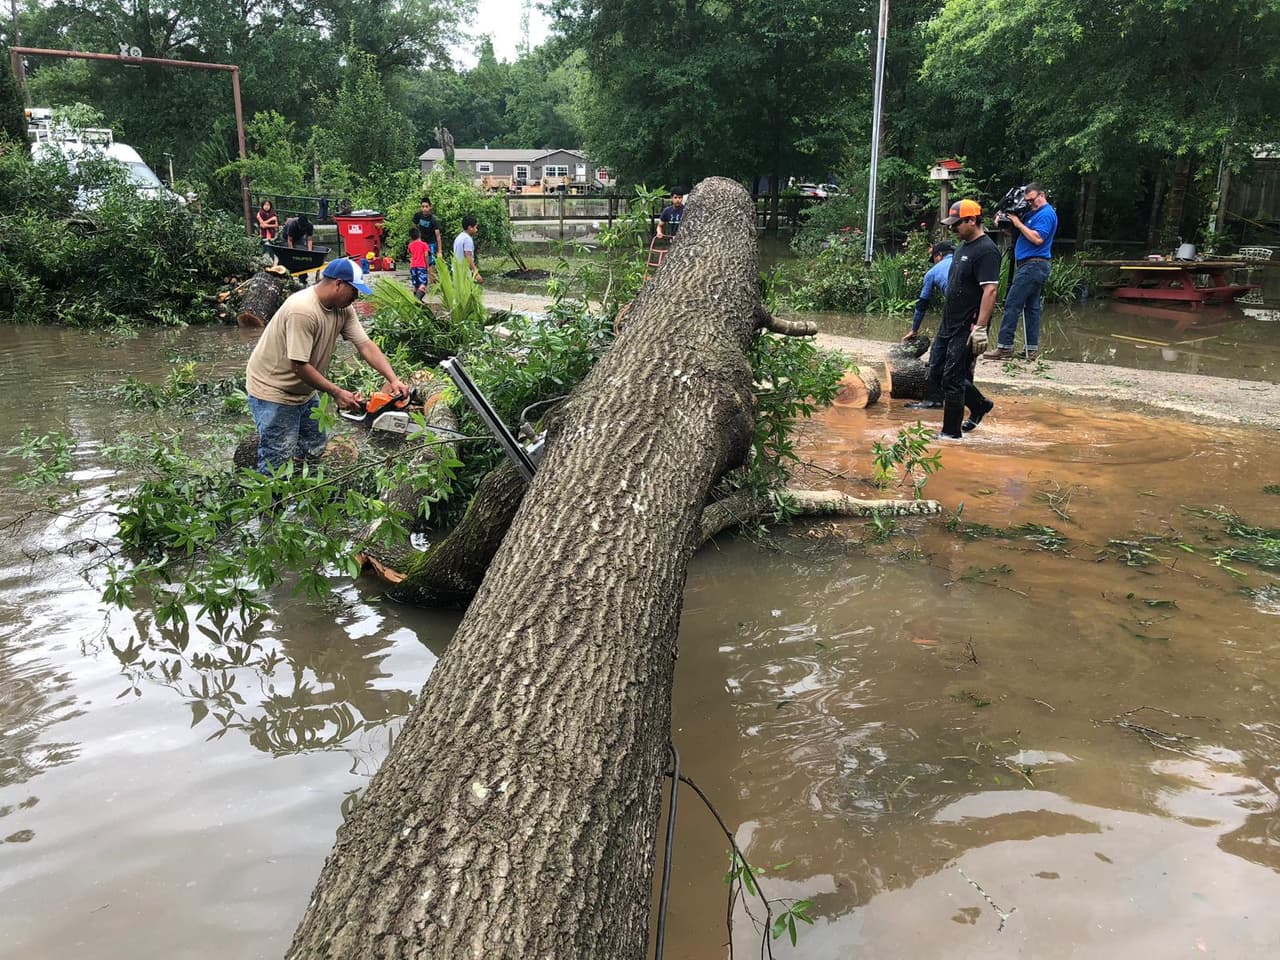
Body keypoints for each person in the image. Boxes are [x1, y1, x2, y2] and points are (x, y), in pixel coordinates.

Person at [244, 258, 408, 473]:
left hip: (305, 390)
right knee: (277, 458)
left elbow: (365, 345)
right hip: (273, 390)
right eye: (354, 291)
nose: (356, 297)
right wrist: (337, 392)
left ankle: (307, 495)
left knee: (314, 447)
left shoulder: (343, 309)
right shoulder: (302, 310)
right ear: (338, 284)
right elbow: (299, 365)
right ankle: (273, 505)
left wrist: (392, 378)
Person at [932, 199, 999, 439]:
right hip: (949, 322)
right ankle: (979, 405)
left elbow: (990, 290)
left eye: (957, 224)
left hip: (968, 325)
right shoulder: (962, 247)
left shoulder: (987, 250)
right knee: (936, 372)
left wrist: (980, 328)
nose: (953, 229)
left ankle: (950, 434)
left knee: (952, 379)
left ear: (972, 220)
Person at [986, 181, 1058, 361]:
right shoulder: (1032, 213)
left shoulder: (1046, 214)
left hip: (1034, 264)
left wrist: (1018, 223)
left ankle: (1004, 348)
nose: (1030, 204)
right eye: (1027, 201)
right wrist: (1006, 222)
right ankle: (1031, 350)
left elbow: (1037, 238)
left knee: (1012, 303)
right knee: (1031, 308)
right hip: (1032, 265)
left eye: (1033, 200)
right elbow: (1019, 234)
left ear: (1042, 195)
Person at [904, 241, 954, 340]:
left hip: (956, 305)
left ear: (939, 255)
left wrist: (914, 329)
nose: (934, 263)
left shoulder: (932, 272)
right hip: (980, 304)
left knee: (941, 345)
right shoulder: (963, 260)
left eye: (934, 259)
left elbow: (922, 303)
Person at [411, 197, 443, 285]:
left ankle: (432, 282)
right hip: (421, 242)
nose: (424, 208)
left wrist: (439, 251)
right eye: (423, 206)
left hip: (431, 243)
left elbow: (438, 236)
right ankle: (422, 281)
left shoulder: (433, 220)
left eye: (426, 206)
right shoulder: (418, 216)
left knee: (430, 262)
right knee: (420, 261)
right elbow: (413, 227)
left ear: (430, 207)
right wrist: (415, 240)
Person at [452, 215, 483, 284]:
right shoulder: (467, 239)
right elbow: (468, 256)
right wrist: (476, 273)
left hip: (456, 270)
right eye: (475, 227)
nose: (476, 230)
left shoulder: (459, 237)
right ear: (470, 228)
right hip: (464, 271)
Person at [407, 226, 430, 299]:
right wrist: (428, 266)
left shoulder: (410, 245)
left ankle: (415, 300)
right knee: (423, 284)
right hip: (421, 266)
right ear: (419, 234)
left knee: (416, 285)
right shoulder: (424, 244)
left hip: (413, 266)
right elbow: (426, 255)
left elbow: (411, 255)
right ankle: (417, 300)